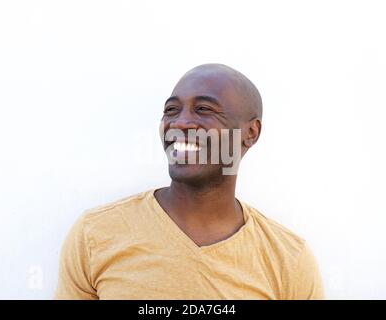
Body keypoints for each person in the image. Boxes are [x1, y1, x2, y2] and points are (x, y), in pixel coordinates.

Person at [54, 63, 324, 299]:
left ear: (250, 133)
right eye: (171, 110)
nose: (181, 123)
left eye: (204, 109)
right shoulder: (95, 234)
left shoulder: (289, 260)